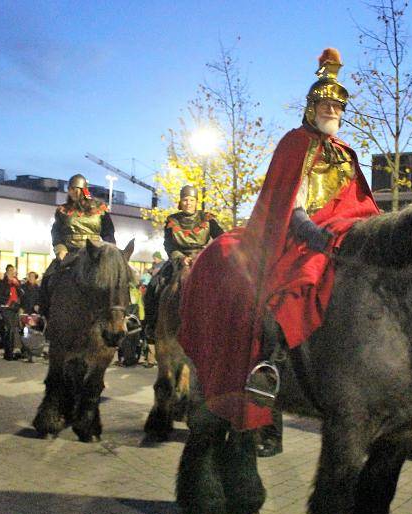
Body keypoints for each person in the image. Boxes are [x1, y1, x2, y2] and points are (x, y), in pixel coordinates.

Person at [177, 48, 381, 432]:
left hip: (340, 233)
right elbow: (291, 201)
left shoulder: (347, 154)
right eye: (325, 105)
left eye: (338, 107)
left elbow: (361, 203)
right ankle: (266, 365)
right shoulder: (295, 144)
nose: (332, 112)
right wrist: (312, 234)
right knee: (287, 285)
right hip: (295, 234)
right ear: (310, 107)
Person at [143, 185, 224, 347]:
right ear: (180, 202)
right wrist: (180, 258)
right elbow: (168, 245)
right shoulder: (172, 220)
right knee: (154, 285)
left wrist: (208, 255)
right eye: (185, 200)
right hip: (178, 260)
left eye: (191, 200)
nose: (188, 203)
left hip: (202, 260)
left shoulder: (208, 219)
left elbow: (221, 238)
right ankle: (151, 326)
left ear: (196, 202)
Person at [42, 174, 117, 318]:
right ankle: (45, 317)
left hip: (94, 253)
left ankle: (120, 316)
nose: (73, 192)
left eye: (76, 189)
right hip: (70, 252)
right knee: (48, 277)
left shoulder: (100, 208)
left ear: (84, 190)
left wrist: (109, 250)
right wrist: (60, 248)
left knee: (116, 280)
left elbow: (108, 231)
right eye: (70, 189)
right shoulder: (62, 210)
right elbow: (56, 231)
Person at [0, 264, 23, 360]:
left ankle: (11, 351)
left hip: (14, 308)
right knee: (9, 329)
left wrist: (17, 285)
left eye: (13, 271)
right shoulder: (2, 283)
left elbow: (21, 294)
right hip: (6, 308)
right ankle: (8, 353)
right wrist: (6, 303)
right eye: (10, 270)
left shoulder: (16, 282)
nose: (12, 272)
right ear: (6, 272)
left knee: (13, 330)